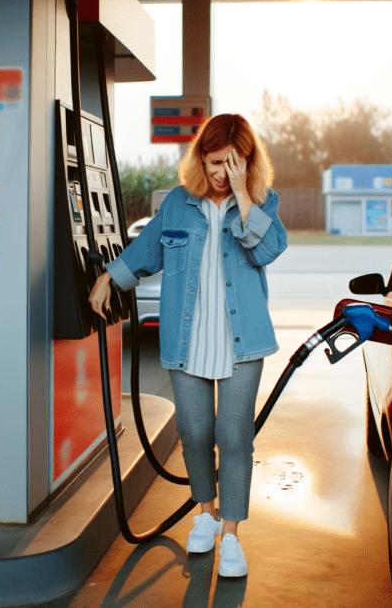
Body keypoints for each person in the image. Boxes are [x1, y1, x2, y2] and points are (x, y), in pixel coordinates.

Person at [89, 113, 287, 577]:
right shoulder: (178, 204)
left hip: (242, 344)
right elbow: (147, 250)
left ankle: (232, 537)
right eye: (215, 162)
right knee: (195, 433)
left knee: (233, 436)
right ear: (201, 158)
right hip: (188, 340)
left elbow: (266, 250)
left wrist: (242, 196)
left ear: (248, 163)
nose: (222, 173)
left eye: (233, 164)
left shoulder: (262, 203)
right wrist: (109, 278)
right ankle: (205, 514)